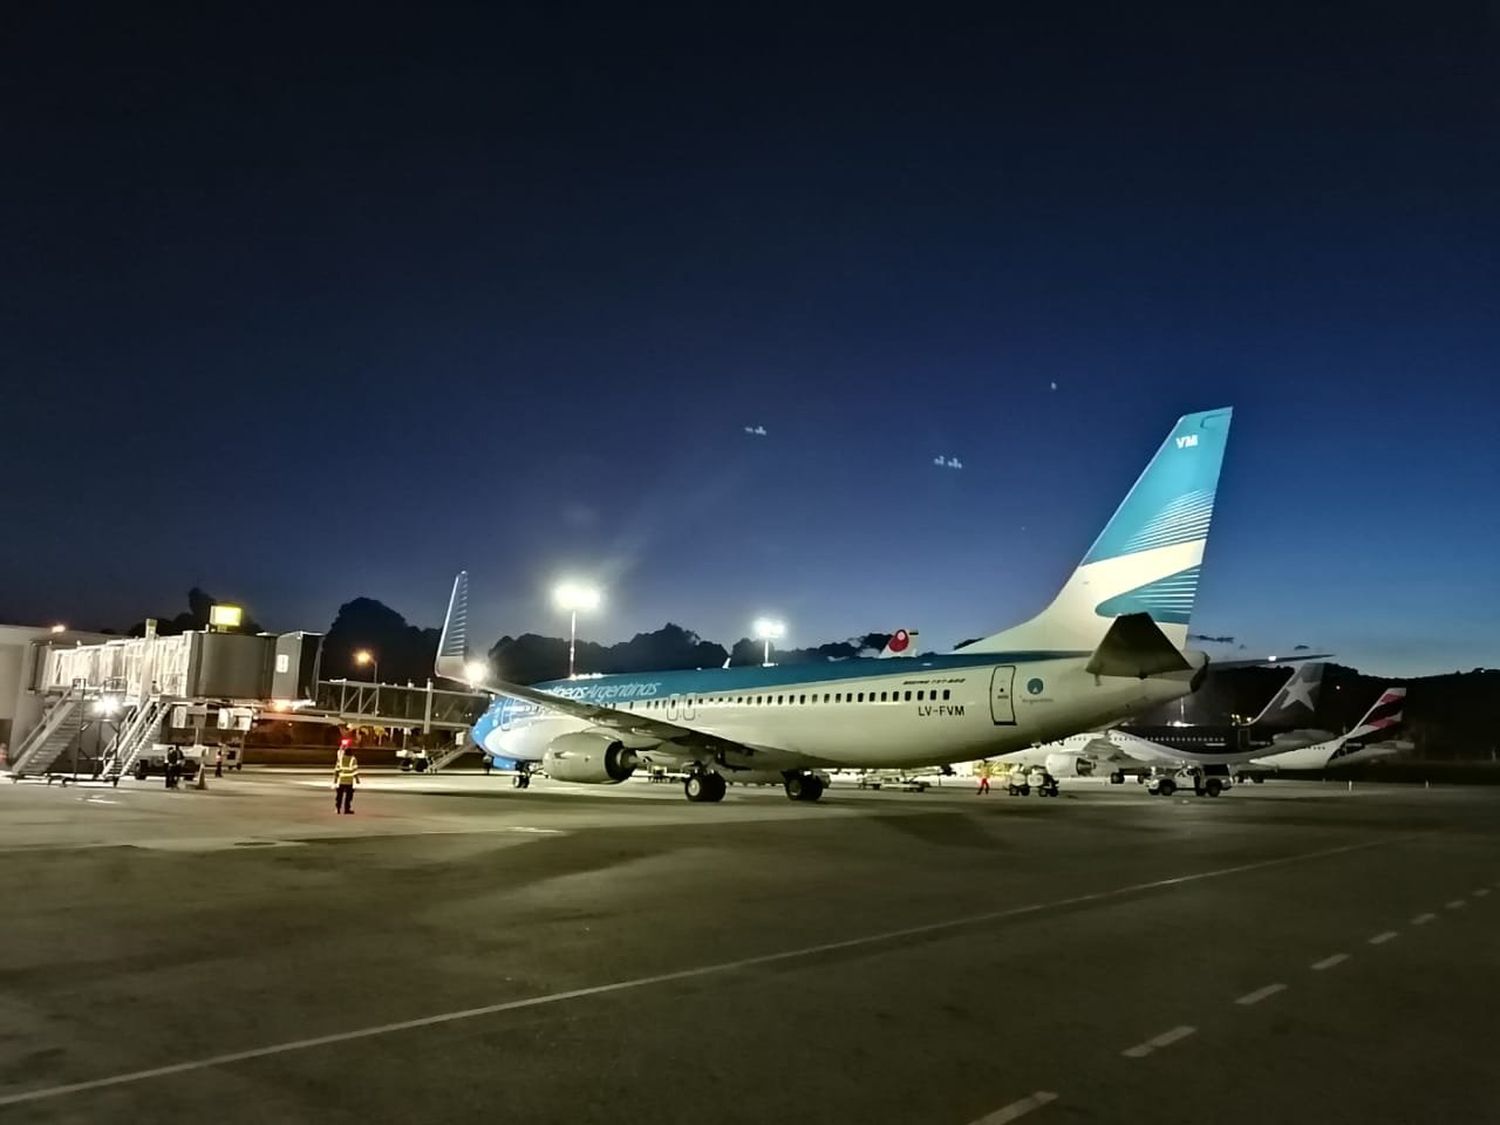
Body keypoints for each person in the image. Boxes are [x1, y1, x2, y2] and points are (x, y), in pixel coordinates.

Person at [333, 749, 360, 814]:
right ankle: (346, 809)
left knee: (339, 795)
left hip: (341, 780)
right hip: (349, 781)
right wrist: (357, 780)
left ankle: (338, 808)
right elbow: (355, 770)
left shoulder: (341, 759)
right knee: (348, 796)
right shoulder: (353, 759)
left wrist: (335, 779)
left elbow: (337, 769)